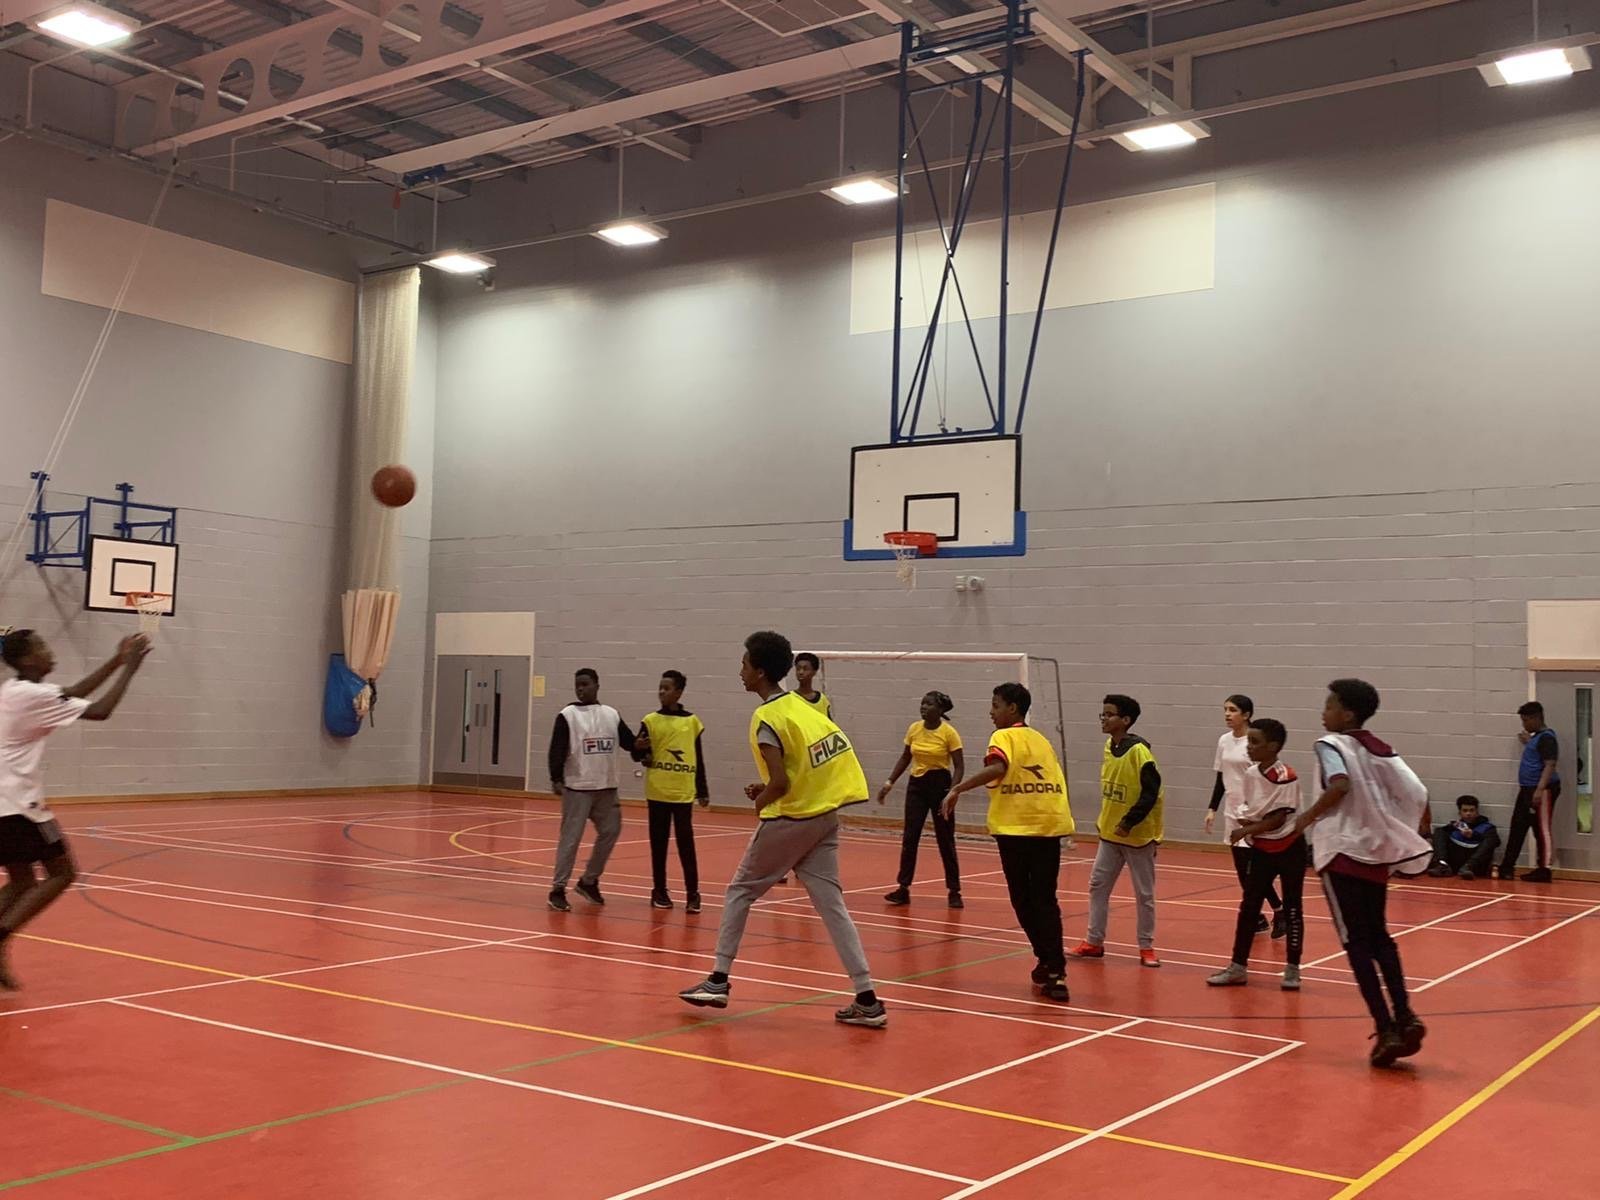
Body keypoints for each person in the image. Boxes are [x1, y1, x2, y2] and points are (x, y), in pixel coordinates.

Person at [678, 631, 885, 1027]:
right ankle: (867, 998)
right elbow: (809, 762)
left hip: (793, 818)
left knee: (740, 891)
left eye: (743, 665)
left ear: (758, 671)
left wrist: (761, 801)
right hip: (825, 817)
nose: (740, 672)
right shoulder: (803, 709)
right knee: (832, 906)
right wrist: (774, 785)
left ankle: (719, 979)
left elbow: (780, 784)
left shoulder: (767, 716)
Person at [0, 630, 150, 990]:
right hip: (18, 805)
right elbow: (99, 710)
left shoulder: (15, 690)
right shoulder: (32, 695)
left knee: (22, 880)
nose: (50, 653)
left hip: (8, 804)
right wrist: (130, 668)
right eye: (42, 648)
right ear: (25, 660)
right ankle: (1, 935)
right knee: (62, 873)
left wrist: (116, 660)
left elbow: (72, 694)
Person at [1294, 678, 1432, 1068]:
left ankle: (1385, 1026)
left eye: (1329, 705)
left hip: (1341, 851)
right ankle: (1405, 1015)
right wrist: (1391, 825)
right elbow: (1418, 792)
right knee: (1380, 938)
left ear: (1347, 713)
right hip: (1376, 852)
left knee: (1356, 944)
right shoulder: (1380, 748)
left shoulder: (1330, 745)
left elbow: (1339, 784)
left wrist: (1304, 820)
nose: (1324, 712)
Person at [941, 683, 1074, 1001]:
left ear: (1012, 708)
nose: (991, 711)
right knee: (1045, 900)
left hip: (1018, 828)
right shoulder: (1041, 739)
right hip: (1050, 826)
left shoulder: (1003, 737)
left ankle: (1048, 960)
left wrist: (959, 788)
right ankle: (1054, 970)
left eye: (996, 705)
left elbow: (997, 767)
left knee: (1023, 900)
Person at [1206, 718, 1306, 991]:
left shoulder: (1286, 775)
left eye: (1255, 742)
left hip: (1289, 847)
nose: (1249, 747)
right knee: (1249, 906)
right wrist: (1246, 822)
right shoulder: (1251, 774)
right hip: (1262, 847)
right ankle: (1238, 966)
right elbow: (1252, 808)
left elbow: (1276, 819)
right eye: (1248, 741)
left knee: (1294, 906)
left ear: (1273, 746)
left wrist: (1245, 830)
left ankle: (1293, 968)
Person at [1072, 694, 1164, 968]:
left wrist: (1128, 822)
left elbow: (1150, 793)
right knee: (1097, 886)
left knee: (1144, 895)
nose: (1103, 719)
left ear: (1125, 720)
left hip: (1136, 835)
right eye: (1102, 714)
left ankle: (1146, 947)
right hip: (1110, 835)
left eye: (1109, 714)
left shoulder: (1140, 752)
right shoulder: (1107, 746)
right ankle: (1094, 941)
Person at [547, 668, 639, 913]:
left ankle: (589, 881)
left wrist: (642, 748)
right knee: (571, 839)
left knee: (611, 831)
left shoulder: (611, 714)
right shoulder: (568, 715)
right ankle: (558, 888)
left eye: (585, 684)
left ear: (597, 685)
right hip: (578, 787)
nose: (580, 688)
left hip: (606, 788)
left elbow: (630, 743)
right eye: (577, 684)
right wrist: (555, 776)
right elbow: (556, 748)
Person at [1205, 694, 1285, 938]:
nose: (1228, 714)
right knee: (1242, 871)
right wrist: (1212, 808)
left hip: (1253, 814)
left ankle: (1280, 911)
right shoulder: (1224, 741)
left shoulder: (1254, 742)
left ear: (1247, 715)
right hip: (1232, 813)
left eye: (1233, 710)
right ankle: (1259, 918)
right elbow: (1221, 777)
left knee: (1255, 871)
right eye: (1225, 709)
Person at [877, 691, 965, 908]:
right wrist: (889, 782)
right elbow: (906, 756)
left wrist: (952, 792)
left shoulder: (949, 733)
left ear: (940, 710)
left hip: (940, 786)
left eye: (929, 704)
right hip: (917, 785)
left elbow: (959, 766)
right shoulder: (914, 729)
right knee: (910, 838)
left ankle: (954, 891)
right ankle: (903, 888)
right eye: (922, 703)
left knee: (945, 840)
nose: (924, 707)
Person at [638, 670, 709, 913]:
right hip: (657, 791)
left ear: (678, 692)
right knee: (658, 846)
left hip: (682, 793)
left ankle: (693, 894)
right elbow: (638, 753)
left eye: (666, 688)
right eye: (660, 687)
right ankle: (659, 891)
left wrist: (702, 788)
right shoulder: (650, 721)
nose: (661, 692)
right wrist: (642, 754)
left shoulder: (691, 722)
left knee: (686, 844)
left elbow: (698, 756)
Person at [1497, 702, 1559, 882]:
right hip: (1526, 789)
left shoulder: (1548, 738)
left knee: (1541, 829)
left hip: (1541, 789)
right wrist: (1529, 742)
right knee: (1518, 826)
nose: (1523, 724)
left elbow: (1550, 764)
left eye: (1525, 720)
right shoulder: (1537, 738)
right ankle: (1507, 867)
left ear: (1535, 718)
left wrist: (1540, 789)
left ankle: (1544, 869)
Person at [1428, 795, 1499, 880]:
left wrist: (1474, 835)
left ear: (1477, 811)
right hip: (1455, 862)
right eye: (1465, 811)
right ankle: (1443, 865)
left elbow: (1496, 842)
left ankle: (1469, 866)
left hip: (1475, 865)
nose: (1468, 814)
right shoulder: (1454, 826)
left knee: (1490, 840)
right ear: (1460, 813)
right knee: (1439, 831)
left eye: (1472, 810)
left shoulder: (1488, 827)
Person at [793, 652, 832, 719]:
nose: (801, 672)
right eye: (798, 668)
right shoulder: (790, 698)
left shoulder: (822, 700)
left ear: (814, 672)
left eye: (805, 669)